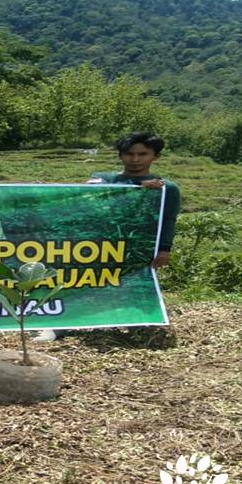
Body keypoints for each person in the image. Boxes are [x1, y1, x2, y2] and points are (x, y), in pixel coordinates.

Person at [35, 131, 180, 341]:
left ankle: (137, 325)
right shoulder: (105, 178)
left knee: (136, 286)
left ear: (155, 156)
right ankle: (59, 325)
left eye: (143, 154)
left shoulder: (167, 188)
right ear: (121, 156)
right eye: (130, 154)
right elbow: (92, 192)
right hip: (99, 246)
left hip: (137, 249)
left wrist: (165, 249)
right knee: (78, 284)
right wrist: (136, 189)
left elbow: (168, 219)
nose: (136, 159)